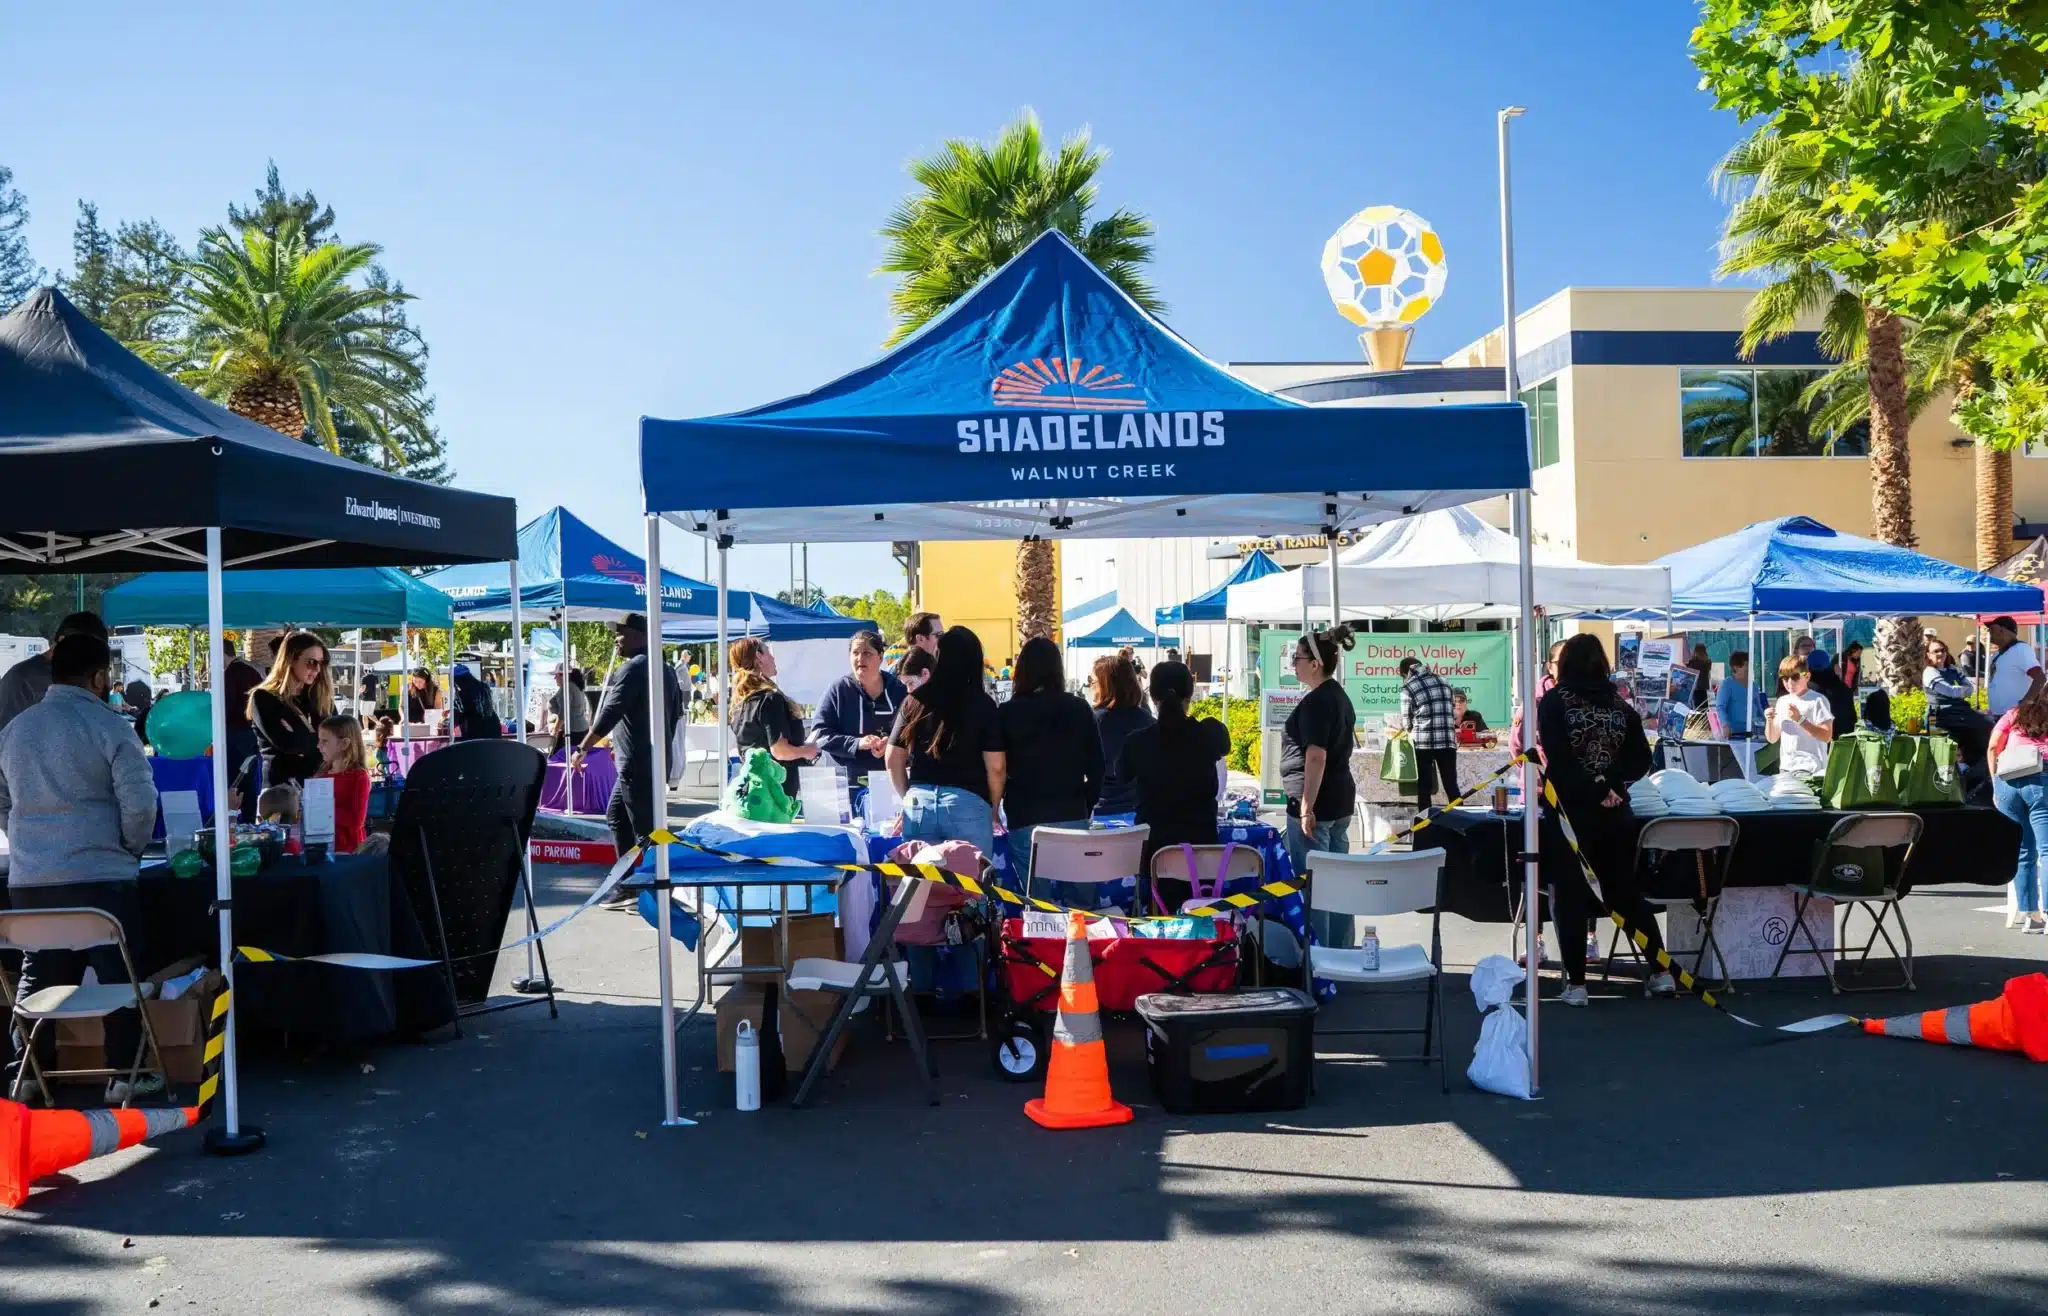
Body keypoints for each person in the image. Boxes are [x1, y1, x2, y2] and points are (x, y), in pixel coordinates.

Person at [0, 632, 160, 1103]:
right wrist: (128, 849)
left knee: (39, 972)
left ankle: (28, 1074)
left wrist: (28, 842)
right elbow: (140, 804)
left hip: (31, 880)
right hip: (101, 877)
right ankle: (126, 1075)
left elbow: (2, 799)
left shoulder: (16, 729)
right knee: (119, 975)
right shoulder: (110, 726)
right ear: (99, 676)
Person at [1536, 633, 1669, 1006]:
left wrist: (1595, 787)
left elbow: (1558, 758)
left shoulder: (1554, 702)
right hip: (1616, 812)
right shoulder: (1620, 706)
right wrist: (1613, 786)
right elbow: (1643, 757)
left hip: (1570, 814)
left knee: (1570, 895)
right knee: (1626, 891)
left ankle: (1577, 983)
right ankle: (1660, 973)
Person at [573, 614, 683, 909]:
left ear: (638, 635)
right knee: (620, 818)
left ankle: (654, 888)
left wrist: (582, 748)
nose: (616, 639)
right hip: (652, 761)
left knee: (644, 829)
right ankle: (633, 885)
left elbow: (610, 713)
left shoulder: (633, 669)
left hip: (636, 763)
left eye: (620, 633)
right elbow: (674, 716)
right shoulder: (666, 669)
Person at [1119, 660, 1230, 912]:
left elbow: (1121, 774)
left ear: (1152, 695)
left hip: (1154, 858)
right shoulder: (1211, 733)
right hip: (1204, 856)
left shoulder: (1138, 742)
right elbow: (1223, 746)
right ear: (1189, 694)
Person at [887, 626, 1005, 860]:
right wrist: (993, 810)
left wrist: (907, 796)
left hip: (920, 801)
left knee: (920, 890)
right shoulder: (983, 704)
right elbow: (997, 767)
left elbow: (892, 757)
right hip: (968, 801)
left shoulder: (915, 699)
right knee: (973, 888)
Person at [997, 637, 1102, 890]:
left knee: (1037, 907)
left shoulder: (1007, 712)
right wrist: (1084, 805)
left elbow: (997, 768)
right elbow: (1097, 767)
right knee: (1082, 910)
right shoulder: (1079, 708)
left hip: (1025, 818)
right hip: (1072, 815)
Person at [1282, 627, 1359, 944]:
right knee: (1337, 881)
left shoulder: (1316, 702)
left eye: (1297, 658)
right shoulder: (1338, 696)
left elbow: (1316, 756)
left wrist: (1306, 807)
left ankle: (1320, 959)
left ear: (1315, 663)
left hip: (1319, 804)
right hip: (1338, 800)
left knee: (1315, 885)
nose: (1293, 665)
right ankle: (1340, 951)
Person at [812, 629, 906, 785]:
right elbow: (819, 735)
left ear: (880, 657)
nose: (860, 659)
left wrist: (891, 743)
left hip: (892, 781)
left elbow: (914, 731)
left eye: (867, 653)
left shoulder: (898, 690)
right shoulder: (838, 690)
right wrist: (857, 743)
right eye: (855, 653)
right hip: (850, 784)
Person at [728, 636, 818, 794]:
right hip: (776, 792)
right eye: (768, 651)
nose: (773, 657)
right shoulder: (769, 698)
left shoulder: (739, 703)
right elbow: (779, 750)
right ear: (759, 656)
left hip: (752, 789)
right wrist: (807, 751)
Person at [1990, 691, 2048, 934]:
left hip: (2007, 783)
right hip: (2041, 781)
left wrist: (1995, 785)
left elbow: (1994, 746)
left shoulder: (2014, 713)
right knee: (2046, 850)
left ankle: (2031, 916)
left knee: (2023, 851)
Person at [249, 631, 334, 790]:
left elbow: (337, 737)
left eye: (321, 663)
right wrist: (322, 740)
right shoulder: (263, 697)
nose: (316, 669)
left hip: (319, 785)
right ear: (290, 660)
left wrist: (306, 740)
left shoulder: (318, 697)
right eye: (310, 662)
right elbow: (288, 744)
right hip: (280, 791)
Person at [0, 612, 107, 734]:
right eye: (85, 650)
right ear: (62, 641)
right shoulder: (20, 678)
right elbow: (5, 735)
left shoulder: (89, 675)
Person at [1089, 654, 1154, 817]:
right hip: (1139, 813)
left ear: (1104, 685)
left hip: (1097, 812)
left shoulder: (1092, 721)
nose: (1090, 685)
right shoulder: (1149, 722)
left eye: (1092, 680)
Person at [1923, 637, 1991, 776]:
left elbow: (1970, 688)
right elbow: (1949, 691)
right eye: (1936, 651)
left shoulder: (1953, 669)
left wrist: (1959, 690)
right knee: (1942, 747)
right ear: (1928, 655)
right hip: (1938, 716)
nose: (1940, 654)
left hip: (1960, 713)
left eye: (1943, 650)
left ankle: (1970, 769)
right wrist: (1961, 690)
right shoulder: (1929, 672)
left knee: (1987, 726)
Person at [1398, 655, 1459, 809]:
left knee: (1424, 787)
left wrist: (1411, 729)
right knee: (1451, 784)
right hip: (1447, 741)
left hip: (1423, 743)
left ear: (1405, 673)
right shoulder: (1444, 681)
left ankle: (1425, 826)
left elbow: (1407, 722)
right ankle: (1461, 819)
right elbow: (1451, 709)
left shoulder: (1408, 687)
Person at [1767, 653, 1835, 780]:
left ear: (1807, 676)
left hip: (1810, 767)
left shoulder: (1817, 700)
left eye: (1795, 677)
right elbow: (1772, 738)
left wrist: (1800, 719)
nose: (1789, 682)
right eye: (1785, 678)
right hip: (1786, 767)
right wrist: (1769, 721)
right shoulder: (1782, 701)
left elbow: (1827, 736)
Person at [315, 714, 372, 853]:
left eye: (325, 741)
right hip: (321, 847)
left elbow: (356, 821)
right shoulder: (319, 776)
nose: (318, 746)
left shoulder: (358, 777)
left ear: (344, 744)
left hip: (349, 850)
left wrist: (322, 809)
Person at [1986, 616, 2045, 717]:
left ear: (2003, 630)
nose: (1989, 631)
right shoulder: (1997, 654)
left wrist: (2025, 703)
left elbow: (2040, 678)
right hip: (1998, 715)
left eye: (1992, 629)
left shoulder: (2021, 649)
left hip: (2015, 716)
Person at [1806, 650, 1858, 735]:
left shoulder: (1805, 688)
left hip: (1817, 741)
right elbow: (1853, 718)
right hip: (1841, 742)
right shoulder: (1843, 688)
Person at [1715, 650, 1765, 738]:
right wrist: (1725, 725)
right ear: (1736, 667)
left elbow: (1758, 708)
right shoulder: (1727, 684)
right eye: (1746, 665)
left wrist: (1766, 722)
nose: (1749, 668)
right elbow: (1720, 707)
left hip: (1754, 733)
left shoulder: (1754, 686)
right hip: (1734, 734)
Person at [449, 663, 502, 740]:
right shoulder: (484, 687)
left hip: (475, 730)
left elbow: (459, 714)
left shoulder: (462, 694)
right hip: (493, 725)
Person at [549, 667, 590, 751]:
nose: (554, 678)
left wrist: (555, 731)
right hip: (581, 729)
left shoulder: (567, 688)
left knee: (560, 759)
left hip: (571, 731)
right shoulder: (575, 686)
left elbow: (563, 713)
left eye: (556, 675)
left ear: (563, 675)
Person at [1686, 644, 1714, 709]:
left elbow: (1688, 671)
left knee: (1697, 709)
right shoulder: (1708, 661)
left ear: (1695, 650)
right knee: (1705, 709)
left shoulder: (1692, 661)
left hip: (1696, 688)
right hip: (1705, 689)